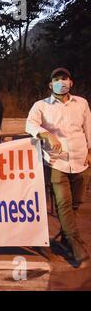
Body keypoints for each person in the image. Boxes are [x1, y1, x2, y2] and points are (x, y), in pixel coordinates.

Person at [26, 67, 91, 268]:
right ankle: (77, 247)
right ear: (50, 84)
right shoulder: (41, 106)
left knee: (75, 205)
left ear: (71, 83)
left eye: (64, 78)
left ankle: (65, 238)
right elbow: (30, 125)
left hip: (81, 161)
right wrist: (46, 134)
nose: (61, 81)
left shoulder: (82, 103)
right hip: (56, 162)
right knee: (63, 203)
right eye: (56, 79)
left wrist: (90, 151)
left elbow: (88, 128)